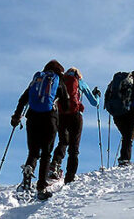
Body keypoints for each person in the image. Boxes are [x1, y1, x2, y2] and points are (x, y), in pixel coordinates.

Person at [10, 60, 68, 200]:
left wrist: (17, 117)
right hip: (50, 119)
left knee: (33, 152)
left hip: (32, 118)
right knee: (47, 153)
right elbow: (66, 105)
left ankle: (28, 172)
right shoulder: (58, 81)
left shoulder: (37, 80)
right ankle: (41, 186)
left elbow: (23, 99)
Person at [48, 67, 99, 184]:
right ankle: (70, 176)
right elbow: (94, 102)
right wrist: (97, 96)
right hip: (76, 116)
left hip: (61, 115)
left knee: (63, 141)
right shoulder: (81, 83)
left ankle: (55, 164)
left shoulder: (60, 81)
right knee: (74, 148)